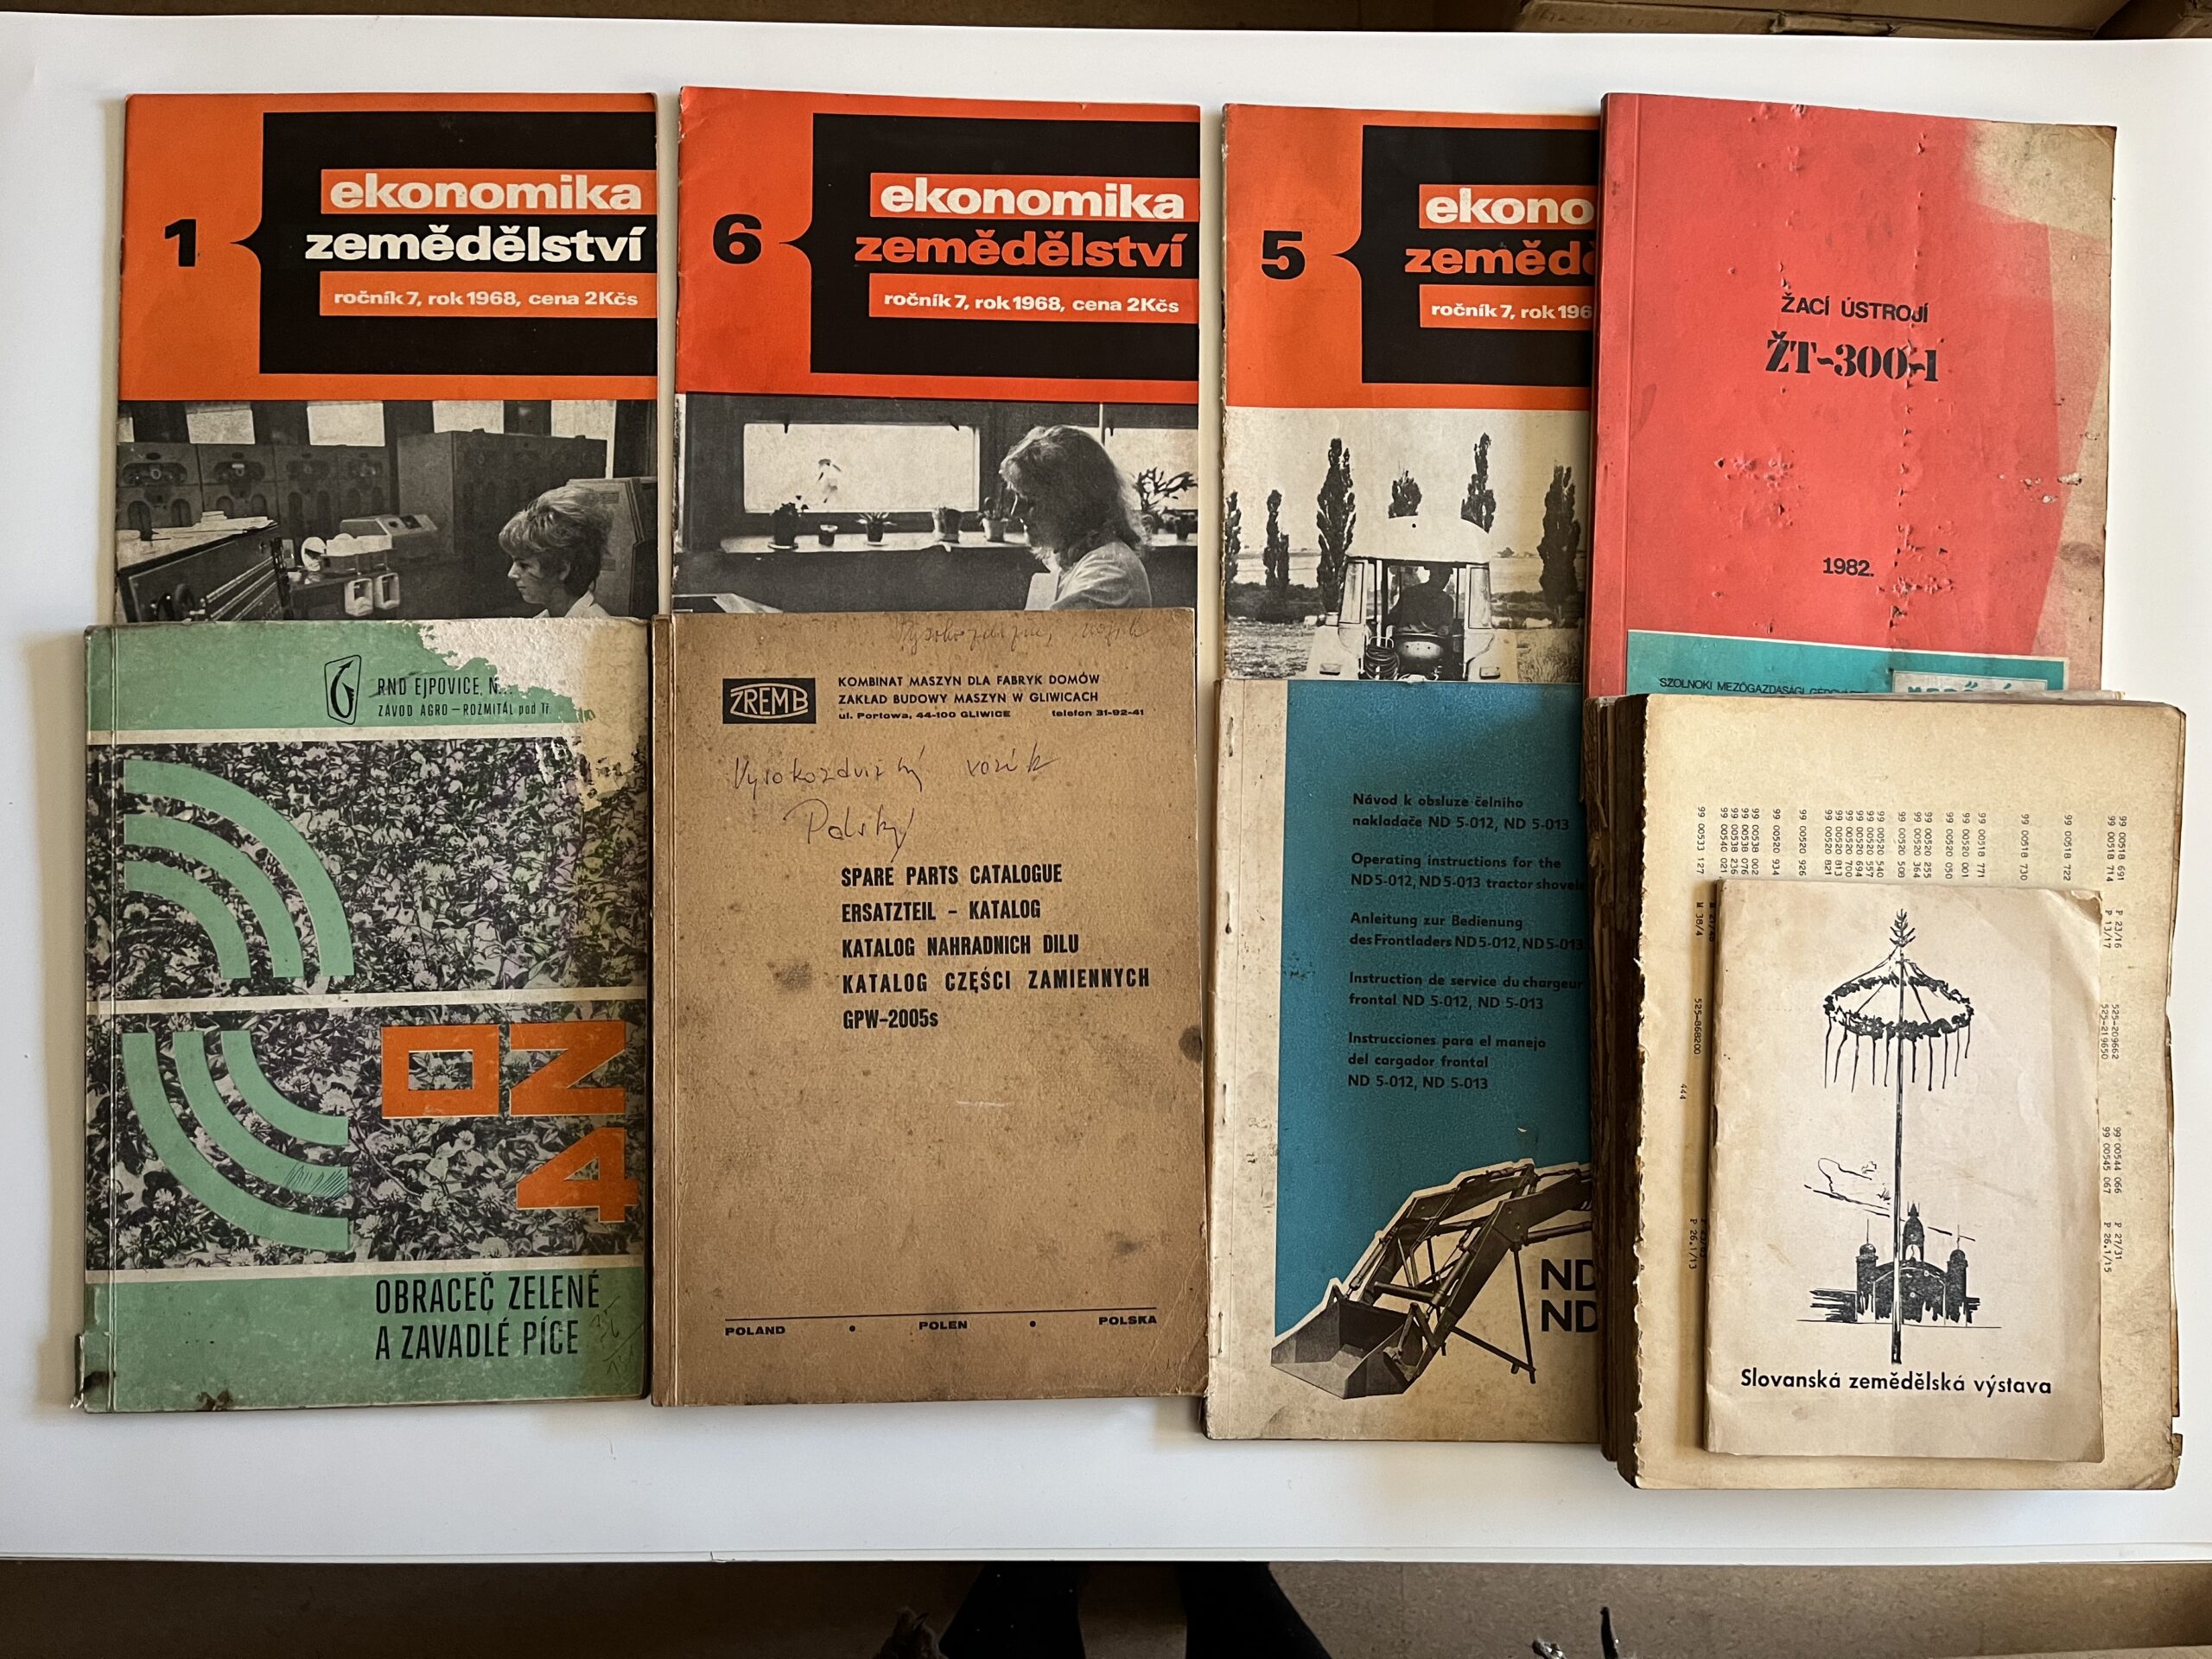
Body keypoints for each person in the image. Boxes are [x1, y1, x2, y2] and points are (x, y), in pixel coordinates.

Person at [998, 425, 1153, 610]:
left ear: (1072, 503)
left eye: (1029, 500)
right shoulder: (1074, 559)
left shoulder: (1108, 574)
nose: (1015, 512)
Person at [501, 484, 613, 618]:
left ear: (562, 570)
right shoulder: (541, 621)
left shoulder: (598, 625)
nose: (511, 574)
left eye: (524, 565)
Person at [1386, 563, 1455, 635]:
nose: (1444, 580)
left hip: (1425, 639)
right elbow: (1394, 617)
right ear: (1431, 575)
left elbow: (1447, 626)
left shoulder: (1448, 601)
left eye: (1447, 577)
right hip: (1412, 639)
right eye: (1441, 576)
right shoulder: (1409, 593)